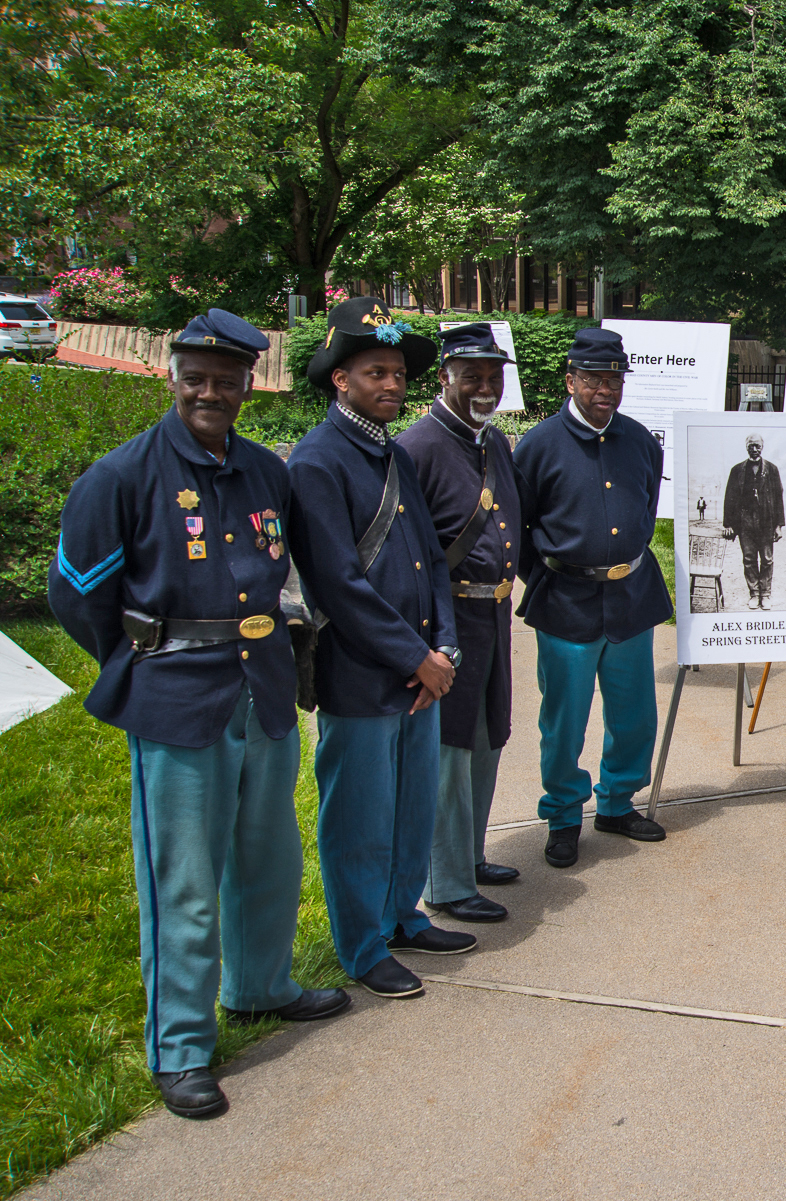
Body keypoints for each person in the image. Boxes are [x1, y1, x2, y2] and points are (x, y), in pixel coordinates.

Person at [50, 309, 351, 1119]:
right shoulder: (122, 477)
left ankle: (258, 986)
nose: (210, 390)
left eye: (227, 378)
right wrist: (140, 662)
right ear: (172, 375)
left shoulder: (263, 470)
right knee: (182, 881)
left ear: (248, 384)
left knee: (267, 857)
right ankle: (179, 1047)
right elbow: (77, 595)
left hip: (262, 687)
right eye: (196, 376)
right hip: (179, 700)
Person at [288, 297, 471, 1001]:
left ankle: (402, 915)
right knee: (359, 820)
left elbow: (430, 560)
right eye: (375, 372)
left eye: (397, 373)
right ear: (340, 378)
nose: (391, 384)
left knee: (409, 810)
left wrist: (445, 648)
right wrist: (414, 657)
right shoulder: (317, 461)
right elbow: (337, 582)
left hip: (420, 672)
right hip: (363, 673)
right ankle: (363, 945)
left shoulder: (391, 453)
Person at [514, 327, 673, 869]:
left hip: (631, 596)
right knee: (564, 720)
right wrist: (554, 572)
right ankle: (562, 815)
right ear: (571, 380)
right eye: (593, 379)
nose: (605, 388)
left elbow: (647, 508)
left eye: (614, 378)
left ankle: (616, 803)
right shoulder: (537, 445)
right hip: (566, 600)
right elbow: (519, 530)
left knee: (634, 715)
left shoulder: (640, 442)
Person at [395, 324, 523, 925]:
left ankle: (469, 858)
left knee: (485, 740)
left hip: (491, 615)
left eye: (493, 376)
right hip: (445, 620)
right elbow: (405, 549)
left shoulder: (493, 441)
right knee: (447, 753)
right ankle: (445, 884)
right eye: (471, 375)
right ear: (444, 375)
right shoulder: (417, 447)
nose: (484, 386)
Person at [722, 432, 785, 610]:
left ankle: (765, 595)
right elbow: (730, 498)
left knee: (767, 559)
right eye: (751, 446)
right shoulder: (737, 470)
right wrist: (728, 524)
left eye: (757, 446)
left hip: (766, 521)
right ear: (746, 447)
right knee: (749, 559)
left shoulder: (772, 470)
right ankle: (754, 594)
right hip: (745, 522)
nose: (754, 449)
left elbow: (778, 498)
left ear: (762, 447)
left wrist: (778, 525)